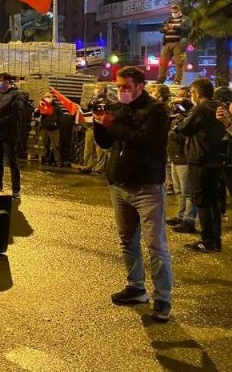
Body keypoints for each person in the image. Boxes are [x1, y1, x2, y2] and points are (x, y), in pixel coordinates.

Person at [93, 66, 173, 323]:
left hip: (147, 186)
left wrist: (113, 124)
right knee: (127, 240)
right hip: (120, 185)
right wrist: (98, 124)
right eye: (119, 87)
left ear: (140, 86)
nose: (122, 91)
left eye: (126, 87)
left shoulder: (156, 110)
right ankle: (136, 287)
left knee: (155, 245)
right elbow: (106, 143)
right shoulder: (119, 108)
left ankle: (163, 299)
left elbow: (145, 140)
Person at [176, 78, 225, 252]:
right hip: (214, 158)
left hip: (200, 159)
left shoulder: (201, 109)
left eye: (192, 93)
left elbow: (184, 128)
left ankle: (208, 240)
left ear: (197, 93)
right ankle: (214, 240)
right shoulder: (218, 107)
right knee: (213, 202)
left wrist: (182, 119)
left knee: (202, 201)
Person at [0, 72, 25, 199]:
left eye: (0, 80)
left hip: (9, 134)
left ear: (8, 81)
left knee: (12, 161)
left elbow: (16, 115)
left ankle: (16, 189)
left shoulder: (16, 95)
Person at [166, 94, 195, 233]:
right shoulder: (176, 120)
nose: (175, 108)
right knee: (179, 191)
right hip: (174, 158)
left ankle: (189, 220)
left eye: (178, 105)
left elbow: (184, 138)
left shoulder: (187, 121)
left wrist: (173, 134)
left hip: (184, 159)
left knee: (187, 192)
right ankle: (181, 215)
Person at [79, 84, 111, 175]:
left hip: (100, 127)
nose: (97, 90)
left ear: (104, 90)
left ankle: (99, 168)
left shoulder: (107, 101)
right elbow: (88, 108)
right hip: (90, 126)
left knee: (99, 149)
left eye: (100, 88)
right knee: (88, 147)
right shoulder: (94, 100)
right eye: (96, 88)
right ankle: (87, 165)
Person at [157, 4, 188, 84]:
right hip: (167, 43)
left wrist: (174, 27)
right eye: (172, 12)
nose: (174, 13)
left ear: (179, 11)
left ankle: (177, 81)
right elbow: (160, 29)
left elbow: (187, 30)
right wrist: (164, 29)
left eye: (175, 11)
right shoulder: (168, 20)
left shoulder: (185, 19)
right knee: (163, 61)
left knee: (179, 62)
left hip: (178, 43)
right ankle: (161, 79)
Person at [35, 92, 63, 167]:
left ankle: (58, 162)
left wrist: (56, 124)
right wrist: (36, 111)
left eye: (49, 96)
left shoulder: (56, 107)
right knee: (45, 146)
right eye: (46, 96)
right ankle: (46, 161)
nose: (47, 98)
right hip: (45, 129)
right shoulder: (42, 106)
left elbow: (60, 117)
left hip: (54, 130)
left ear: (52, 97)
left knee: (56, 146)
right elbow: (36, 115)